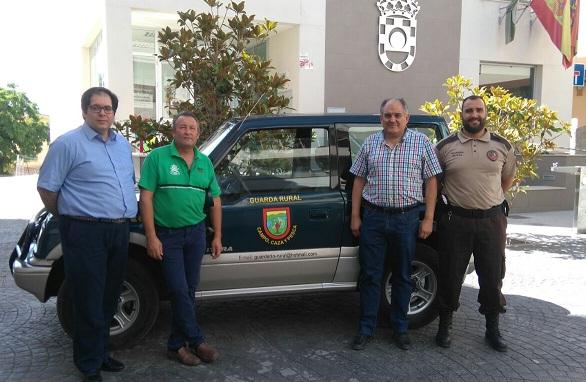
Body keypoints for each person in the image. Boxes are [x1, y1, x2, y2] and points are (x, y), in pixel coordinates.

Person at [37, 87, 137, 382]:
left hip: (119, 230)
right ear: (84, 111)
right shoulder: (68, 144)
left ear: (113, 113)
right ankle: (88, 364)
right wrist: (69, 217)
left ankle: (101, 352)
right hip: (84, 231)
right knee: (88, 297)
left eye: (108, 108)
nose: (103, 113)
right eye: (96, 108)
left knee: (109, 296)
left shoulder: (122, 144)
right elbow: (47, 188)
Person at [349, 98, 442, 351]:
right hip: (374, 218)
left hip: (407, 218)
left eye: (397, 115)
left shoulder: (421, 143)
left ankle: (400, 327)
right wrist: (355, 216)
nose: (392, 119)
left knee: (402, 274)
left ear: (406, 118)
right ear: (381, 119)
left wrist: (429, 218)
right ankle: (366, 328)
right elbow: (358, 180)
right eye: (387, 115)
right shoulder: (370, 144)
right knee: (370, 275)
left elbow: (431, 182)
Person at [138, 111, 222, 366]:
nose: (187, 132)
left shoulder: (204, 162)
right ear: (174, 132)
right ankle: (196, 340)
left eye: (192, 128)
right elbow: (147, 196)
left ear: (198, 134)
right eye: (182, 127)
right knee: (177, 289)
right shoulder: (157, 158)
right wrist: (151, 236)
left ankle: (176, 345)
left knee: (188, 289)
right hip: (168, 235)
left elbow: (215, 200)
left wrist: (217, 235)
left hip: (196, 233)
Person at [434, 95, 516, 352]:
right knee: (450, 275)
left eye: (478, 110)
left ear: (485, 112)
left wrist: (489, 202)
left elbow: (507, 179)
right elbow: (435, 183)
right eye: (469, 110)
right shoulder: (445, 146)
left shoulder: (502, 145)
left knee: (492, 276)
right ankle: (444, 326)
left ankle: (492, 328)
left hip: (491, 222)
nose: (474, 114)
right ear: (462, 114)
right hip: (455, 221)